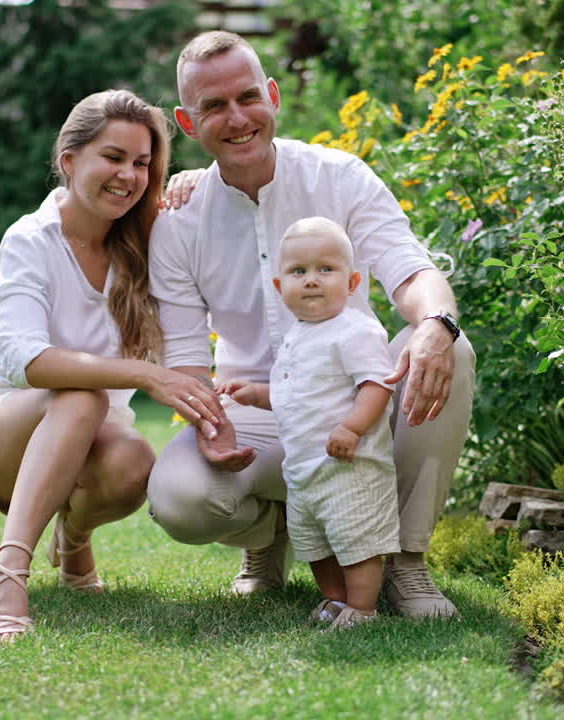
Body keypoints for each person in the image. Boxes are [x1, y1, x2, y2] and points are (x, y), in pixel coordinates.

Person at [147, 31, 476, 618]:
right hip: (256, 409)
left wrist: (437, 322)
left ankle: (404, 561)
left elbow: (410, 269)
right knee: (180, 499)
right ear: (188, 123)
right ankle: (265, 538)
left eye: (248, 97)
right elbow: (187, 356)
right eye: (214, 107)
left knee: (449, 345)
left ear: (272, 95)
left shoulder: (339, 176)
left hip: (358, 398)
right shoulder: (178, 223)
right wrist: (208, 422)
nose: (238, 117)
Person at [0, 89, 224, 643]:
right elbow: (27, 361)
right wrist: (146, 375)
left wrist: (201, 187)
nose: (128, 174)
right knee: (82, 395)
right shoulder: (29, 240)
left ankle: (73, 539)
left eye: (143, 163)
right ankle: (7, 574)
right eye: (113, 157)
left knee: (135, 462)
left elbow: (221, 248)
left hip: (90, 442)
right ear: (69, 160)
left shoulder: (149, 243)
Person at [217, 217, 400, 630]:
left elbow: (377, 385)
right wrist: (257, 394)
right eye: (299, 272)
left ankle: (364, 608)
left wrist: (352, 427)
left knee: (357, 540)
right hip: (303, 472)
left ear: (352, 282)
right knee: (314, 544)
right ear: (280, 287)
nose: (312, 280)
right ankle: (336, 600)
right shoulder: (297, 335)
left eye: (326, 270)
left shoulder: (355, 330)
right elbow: (294, 396)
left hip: (350, 468)